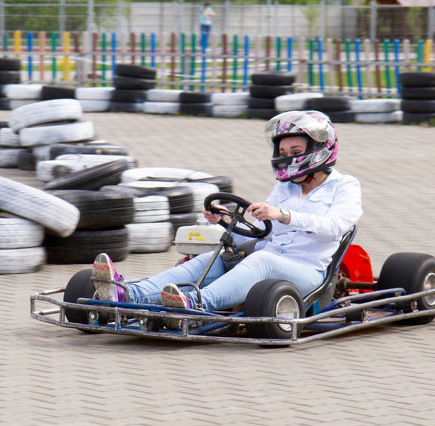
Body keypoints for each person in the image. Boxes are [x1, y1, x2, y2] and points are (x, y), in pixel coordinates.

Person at [91, 110, 363, 312]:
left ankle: (194, 304)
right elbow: (263, 234)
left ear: (319, 150)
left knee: (260, 261)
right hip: (266, 259)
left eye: (295, 150)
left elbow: (336, 226)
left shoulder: (344, 186)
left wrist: (283, 215)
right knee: (213, 258)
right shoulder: (286, 188)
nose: (287, 156)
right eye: (283, 150)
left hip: (308, 272)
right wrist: (226, 223)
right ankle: (128, 294)